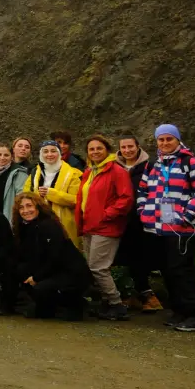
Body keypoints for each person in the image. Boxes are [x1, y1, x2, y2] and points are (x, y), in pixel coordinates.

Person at [137, 124, 195, 332]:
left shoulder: (191, 162)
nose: (165, 143)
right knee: (168, 271)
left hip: (182, 229)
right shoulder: (152, 164)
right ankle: (180, 311)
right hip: (157, 227)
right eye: (161, 139)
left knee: (182, 271)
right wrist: (143, 212)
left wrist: (187, 216)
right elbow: (142, 191)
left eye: (169, 139)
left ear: (178, 140)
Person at [75, 134, 134, 321]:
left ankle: (116, 304)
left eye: (99, 148)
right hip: (89, 226)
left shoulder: (117, 171)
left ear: (107, 150)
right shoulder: (89, 172)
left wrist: (107, 214)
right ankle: (107, 303)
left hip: (106, 227)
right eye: (91, 149)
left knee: (98, 267)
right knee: (93, 266)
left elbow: (126, 198)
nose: (95, 152)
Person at [14, 192, 92, 320]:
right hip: (51, 270)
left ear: (38, 207)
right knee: (20, 271)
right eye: (21, 208)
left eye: (29, 206)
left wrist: (36, 277)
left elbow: (55, 258)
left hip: (70, 273)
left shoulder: (49, 225)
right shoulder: (25, 228)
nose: (25, 211)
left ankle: (74, 304)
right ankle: (48, 306)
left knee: (40, 288)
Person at [115, 133, 163, 313]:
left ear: (138, 147)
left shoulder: (149, 166)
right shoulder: (114, 167)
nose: (127, 150)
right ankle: (134, 295)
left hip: (141, 219)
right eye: (123, 147)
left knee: (141, 258)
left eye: (130, 146)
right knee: (124, 259)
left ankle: (148, 295)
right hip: (120, 219)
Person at [24, 140, 83, 243]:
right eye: (46, 151)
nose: (49, 154)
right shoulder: (34, 173)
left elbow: (76, 200)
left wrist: (51, 194)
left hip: (64, 226)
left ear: (59, 154)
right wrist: (37, 196)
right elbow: (25, 196)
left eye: (53, 151)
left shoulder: (73, 174)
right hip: (39, 223)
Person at [0, 143, 29, 218]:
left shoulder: (19, 173)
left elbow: (22, 197)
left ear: (12, 157)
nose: (2, 158)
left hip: (11, 217)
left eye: (6, 155)